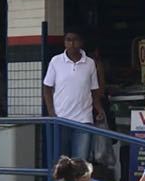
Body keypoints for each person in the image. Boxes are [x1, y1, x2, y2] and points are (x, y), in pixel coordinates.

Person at [42, 31, 103, 161]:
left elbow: (94, 90)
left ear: (81, 42)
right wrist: (52, 112)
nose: (72, 43)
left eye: (75, 40)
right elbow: (47, 88)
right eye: (68, 40)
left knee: (80, 163)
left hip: (83, 120)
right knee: (61, 162)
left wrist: (99, 109)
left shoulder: (90, 63)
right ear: (64, 42)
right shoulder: (56, 61)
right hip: (61, 118)